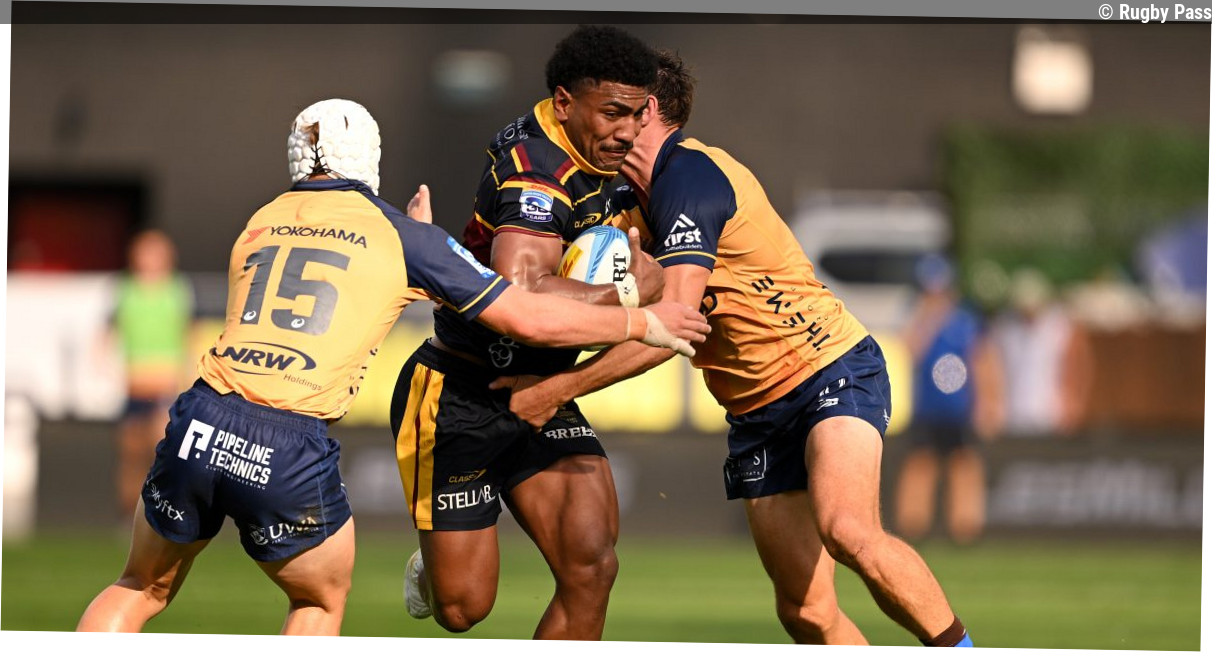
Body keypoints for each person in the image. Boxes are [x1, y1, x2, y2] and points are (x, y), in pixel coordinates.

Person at [76, 98, 708, 636]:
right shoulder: (402, 236)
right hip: (288, 442)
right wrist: (640, 320)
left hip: (202, 418)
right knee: (316, 603)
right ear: (371, 159)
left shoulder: (260, 221)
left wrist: (426, 261)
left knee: (139, 587)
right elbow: (524, 315)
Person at [490, 50, 975, 647]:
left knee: (848, 530)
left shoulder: (691, 178)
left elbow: (672, 328)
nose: (606, 121)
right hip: (755, 412)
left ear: (648, 111)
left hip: (828, 368)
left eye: (622, 106)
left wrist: (556, 390)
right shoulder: (620, 197)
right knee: (806, 611)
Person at [393, 25, 662, 641]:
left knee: (592, 566)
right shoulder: (536, 171)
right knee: (463, 610)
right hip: (462, 390)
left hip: (542, 384)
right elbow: (526, 293)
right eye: (612, 113)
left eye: (636, 114)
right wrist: (629, 294)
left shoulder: (613, 157)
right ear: (564, 104)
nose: (626, 131)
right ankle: (436, 566)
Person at [894, 254, 1004, 545]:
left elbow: (983, 362)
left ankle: (965, 528)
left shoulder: (967, 322)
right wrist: (928, 319)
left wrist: (989, 402)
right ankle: (912, 526)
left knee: (964, 465)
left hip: (960, 409)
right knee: (921, 464)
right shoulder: (918, 321)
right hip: (927, 409)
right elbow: (909, 351)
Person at [109, 230, 194, 524]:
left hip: (165, 383)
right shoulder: (125, 290)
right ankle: (128, 516)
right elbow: (111, 331)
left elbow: (187, 332)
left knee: (163, 452)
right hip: (133, 385)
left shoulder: (177, 289)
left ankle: (162, 515)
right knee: (131, 453)